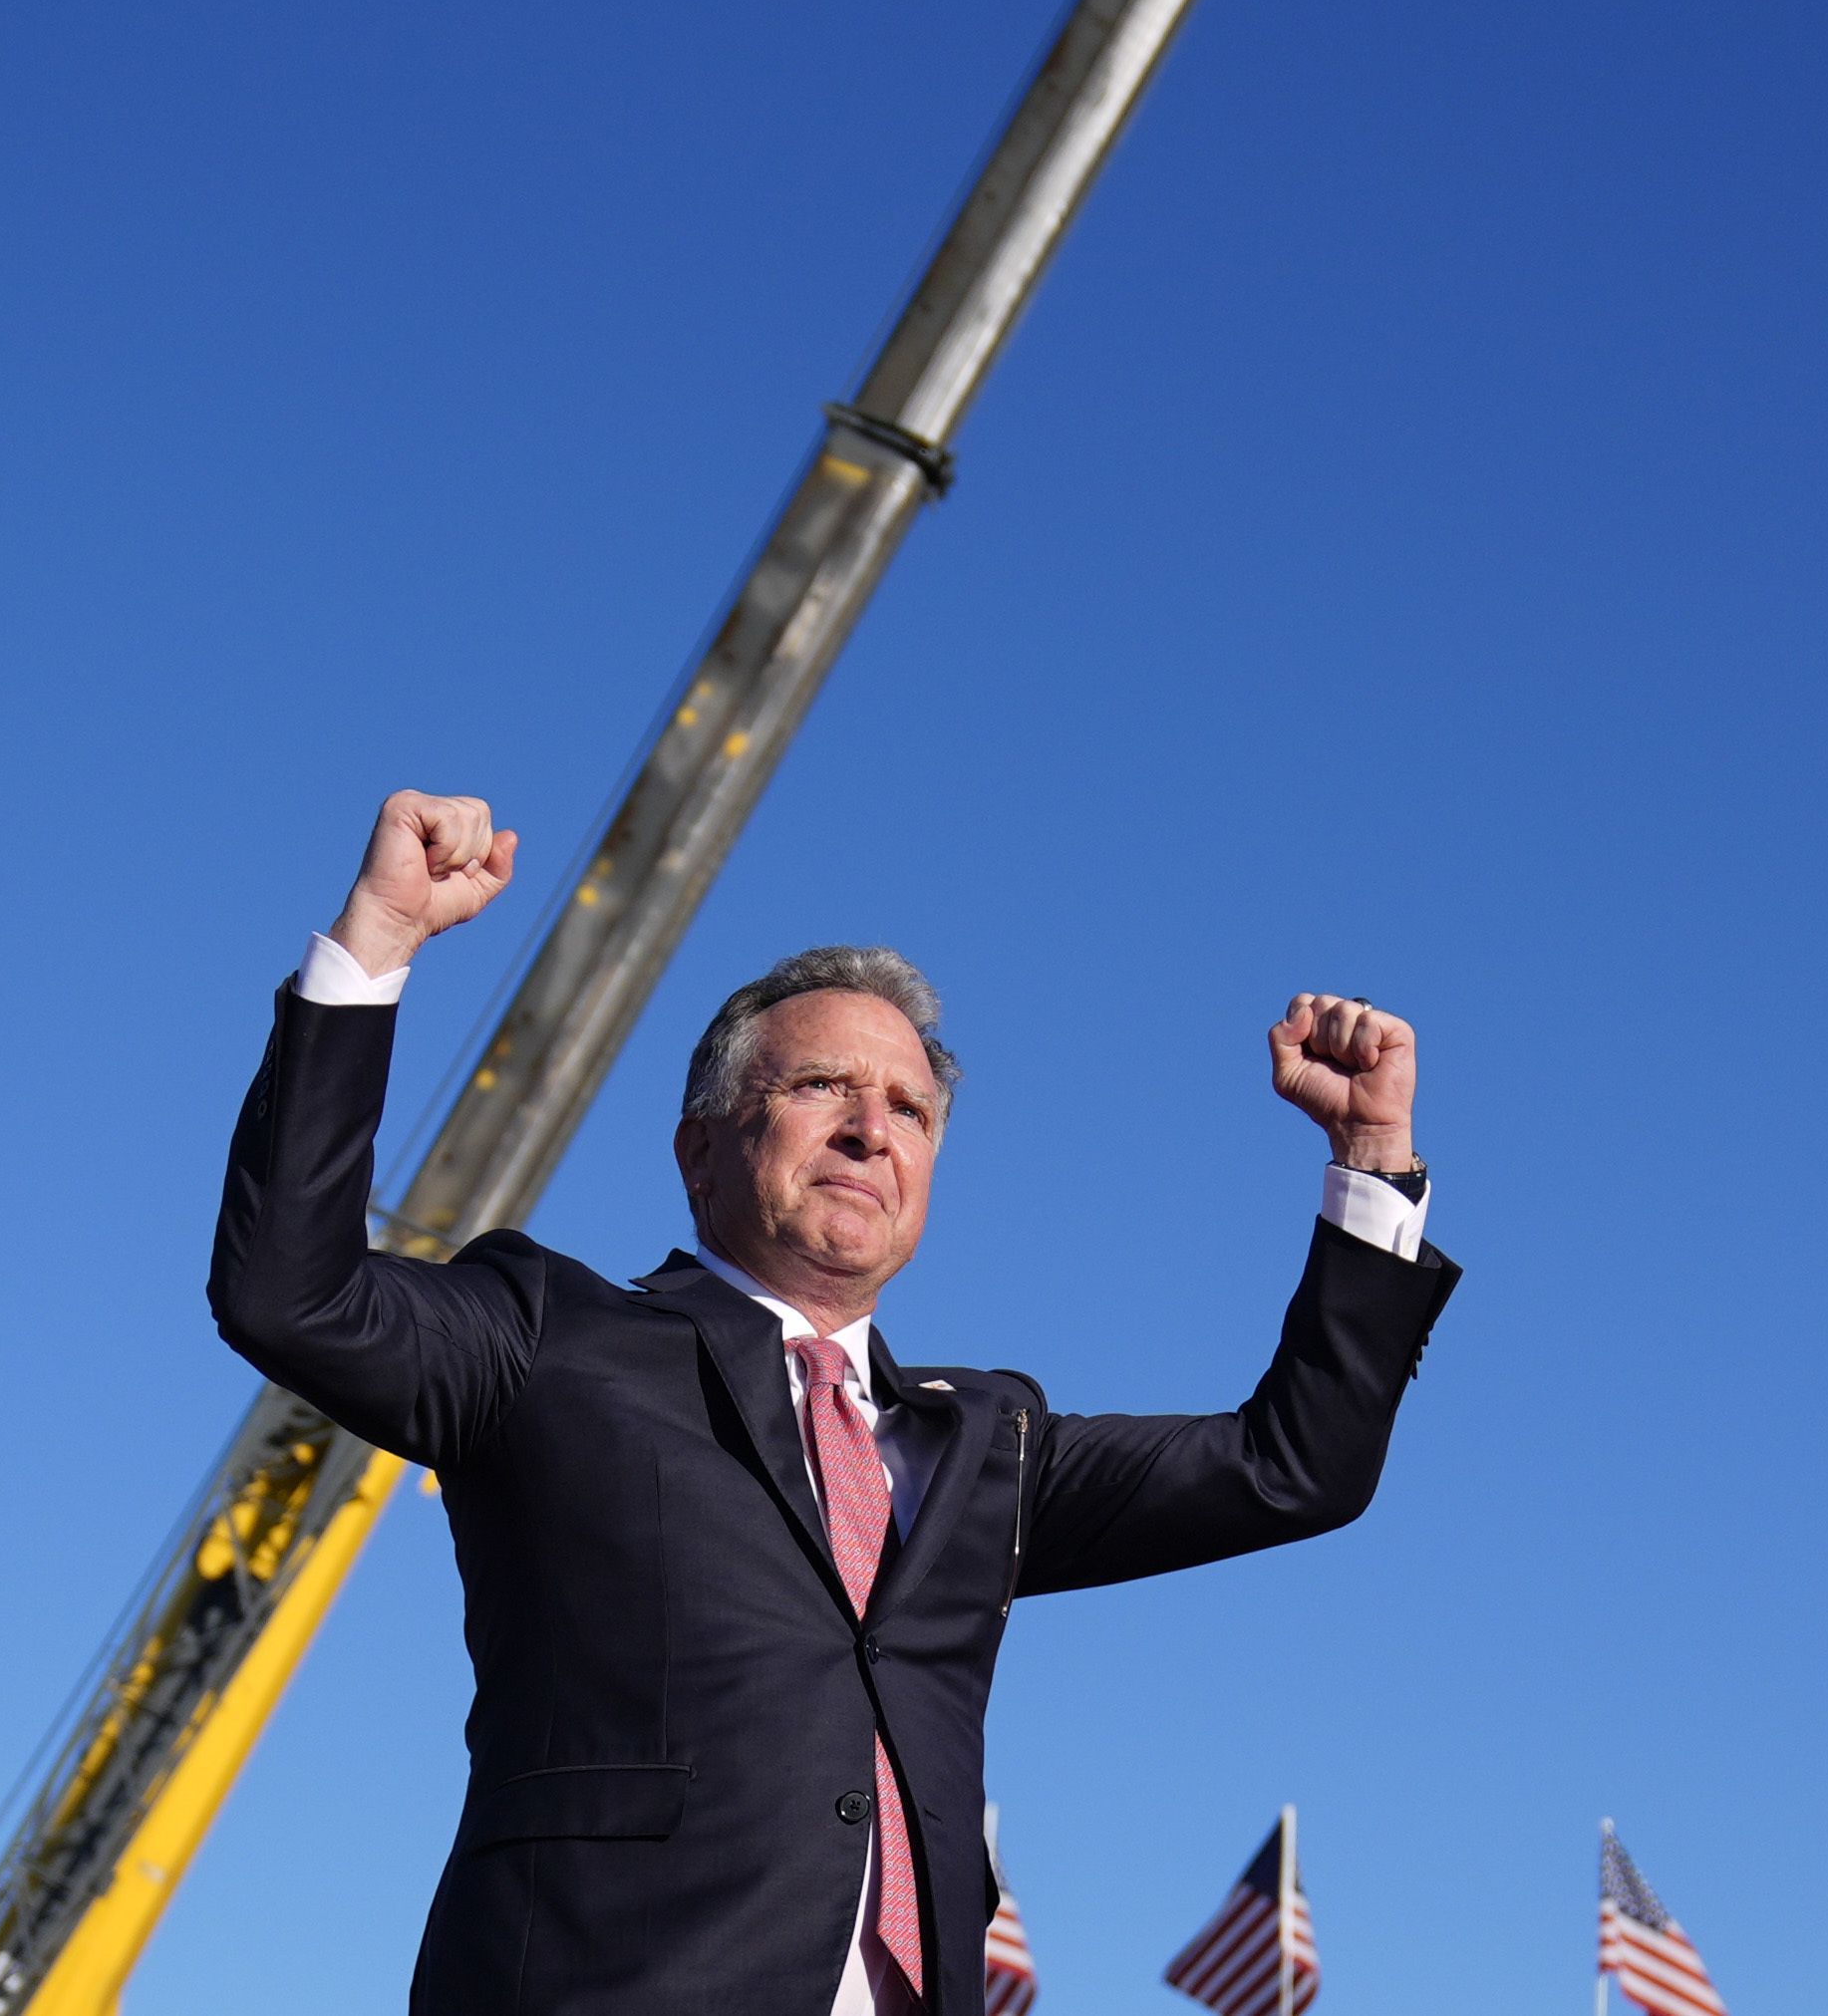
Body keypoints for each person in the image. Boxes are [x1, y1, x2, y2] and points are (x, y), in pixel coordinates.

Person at [210, 790, 1458, 2015]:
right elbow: (289, 1293)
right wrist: (374, 942)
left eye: (908, 1109)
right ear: (700, 1147)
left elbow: (1298, 1466)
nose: (872, 1129)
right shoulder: (548, 1334)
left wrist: (1370, 1164)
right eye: (821, 1089)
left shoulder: (985, 1444)